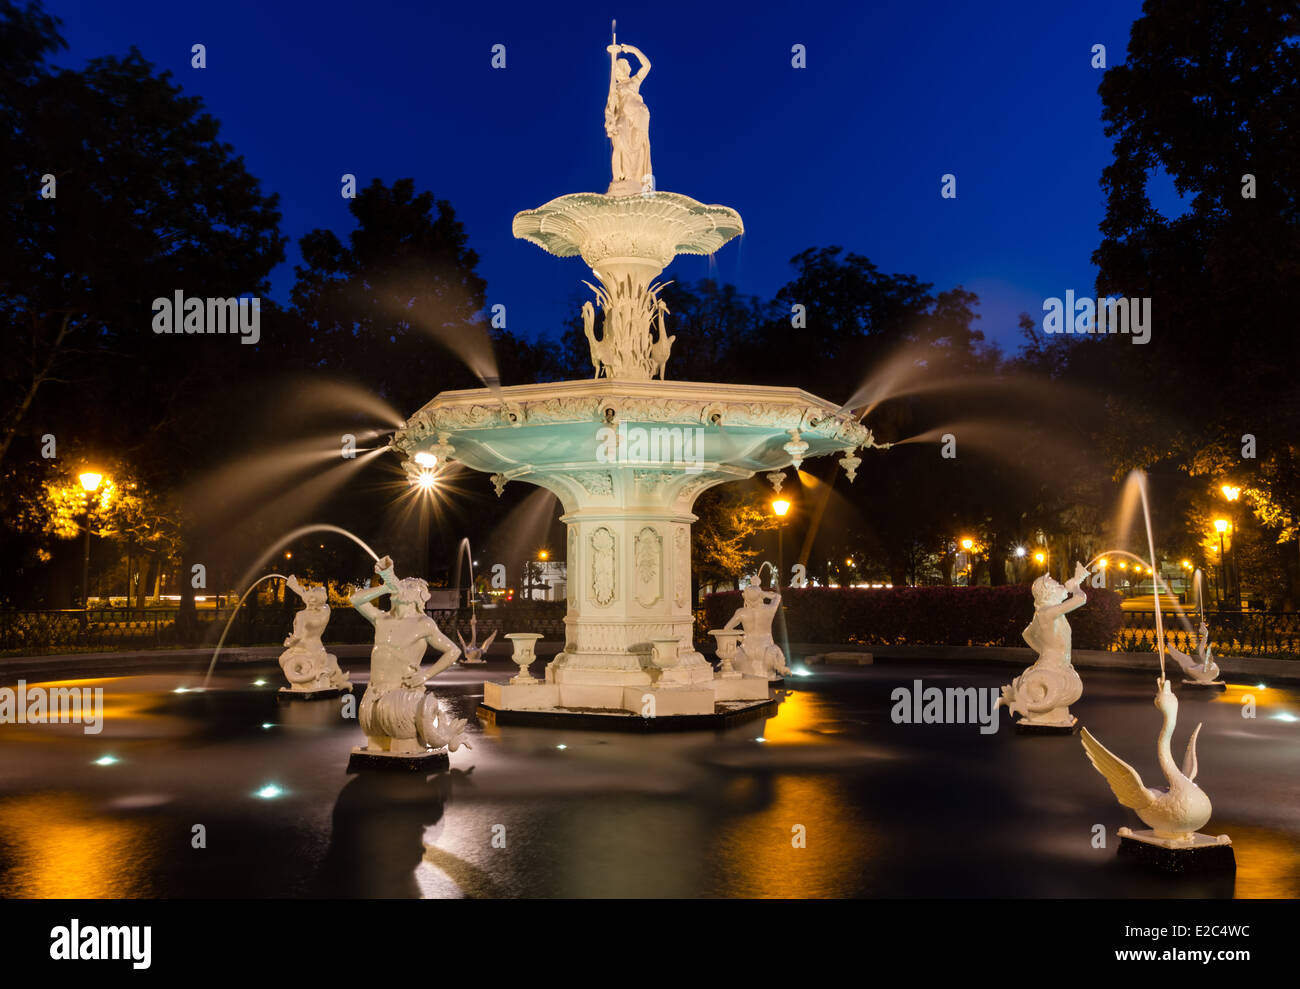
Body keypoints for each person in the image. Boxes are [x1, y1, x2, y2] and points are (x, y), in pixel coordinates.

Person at [350, 556, 467, 754]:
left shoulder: (424, 624)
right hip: (374, 693)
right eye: (402, 584)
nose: (403, 587)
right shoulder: (381, 618)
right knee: (375, 746)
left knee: (403, 747)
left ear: (420, 597)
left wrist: (424, 676)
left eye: (410, 586)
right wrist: (386, 585)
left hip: (402, 696)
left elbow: (453, 651)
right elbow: (355, 600)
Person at [605, 42, 652, 195]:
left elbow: (647, 66)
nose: (617, 73)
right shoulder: (615, 88)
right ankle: (620, 177)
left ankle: (635, 180)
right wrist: (609, 121)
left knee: (638, 150)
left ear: (625, 70)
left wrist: (634, 50)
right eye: (616, 71)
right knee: (620, 146)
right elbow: (610, 107)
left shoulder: (634, 82)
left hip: (638, 119)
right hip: (623, 119)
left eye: (619, 70)